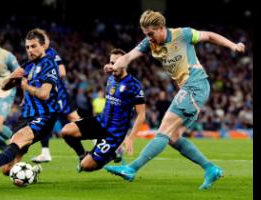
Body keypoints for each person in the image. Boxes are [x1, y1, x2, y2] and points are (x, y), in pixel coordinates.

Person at [105, 10, 245, 189]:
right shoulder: (149, 42)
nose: (149, 38)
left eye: (151, 34)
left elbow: (209, 36)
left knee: (163, 130)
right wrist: (114, 66)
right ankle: (210, 169)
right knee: (173, 137)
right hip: (189, 88)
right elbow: (129, 56)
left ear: (161, 28)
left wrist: (233, 46)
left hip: (195, 85)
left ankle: (131, 168)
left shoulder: (183, 34)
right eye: (146, 34)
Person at [0, 29, 60, 178]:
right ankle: (32, 172)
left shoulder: (50, 64)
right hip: (26, 116)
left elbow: (44, 94)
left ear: (43, 46)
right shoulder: (27, 66)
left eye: (33, 46)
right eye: (27, 47)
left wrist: (26, 86)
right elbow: (4, 87)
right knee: (7, 170)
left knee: (18, 138)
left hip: (45, 115)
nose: (30, 50)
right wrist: (11, 77)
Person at [60, 48, 146, 172]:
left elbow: (141, 114)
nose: (113, 66)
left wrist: (131, 138)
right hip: (100, 122)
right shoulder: (110, 78)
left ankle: (113, 154)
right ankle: (82, 155)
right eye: (111, 62)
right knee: (66, 131)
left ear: (125, 63)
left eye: (116, 62)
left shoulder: (134, 86)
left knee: (86, 166)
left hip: (114, 133)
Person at [30, 29, 80, 163]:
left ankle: (97, 141)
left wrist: (47, 77)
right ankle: (45, 153)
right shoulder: (36, 58)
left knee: (74, 118)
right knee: (44, 121)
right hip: (47, 96)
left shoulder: (52, 53)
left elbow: (62, 72)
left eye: (44, 39)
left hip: (60, 94)